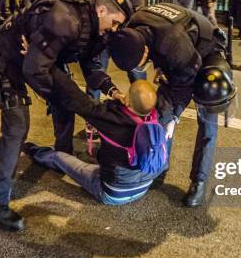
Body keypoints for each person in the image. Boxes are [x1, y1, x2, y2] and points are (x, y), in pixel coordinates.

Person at [0, 0, 133, 231]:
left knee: (66, 103)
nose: (114, 29)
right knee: (17, 126)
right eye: (114, 23)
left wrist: (111, 90)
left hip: (39, 59)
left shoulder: (94, 27)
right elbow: (35, 71)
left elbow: (91, 66)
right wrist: (66, 97)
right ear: (102, 9)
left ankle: (63, 156)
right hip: (6, 56)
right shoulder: (65, 20)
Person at [108, 2, 236, 207]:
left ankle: (199, 181)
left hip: (205, 53)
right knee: (159, 116)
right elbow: (156, 48)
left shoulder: (173, 43)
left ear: (145, 49)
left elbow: (184, 83)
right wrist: (160, 67)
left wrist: (175, 118)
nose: (142, 67)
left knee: (206, 122)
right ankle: (159, 166)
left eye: (142, 62)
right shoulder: (133, 27)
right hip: (180, 51)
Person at [24, 67, 165, 205]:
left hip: (113, 193)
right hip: (142, 188)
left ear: (127, 100)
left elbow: (75, 97)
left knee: (60, 157)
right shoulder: (155, 119)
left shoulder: (111, 119)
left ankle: (32, 150)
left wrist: (45, 65)